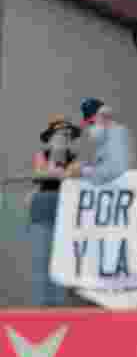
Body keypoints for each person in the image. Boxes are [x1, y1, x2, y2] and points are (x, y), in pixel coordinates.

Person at [29, 115, 80, 306]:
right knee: (41, 257)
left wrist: (61, 172)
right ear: (51, 135)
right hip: (44, 207)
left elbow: (74, 174)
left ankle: (59, 305)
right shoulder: (41, 155)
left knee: (62, 258)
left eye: (67, 134)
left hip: (65, 207)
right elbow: (41, 172)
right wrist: (56, 168)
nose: (64, 137)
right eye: (60, 134)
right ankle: (42, 303)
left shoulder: (74, 158)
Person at [65, 99, 133, 186]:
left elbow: (117, 170)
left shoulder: (117, 134)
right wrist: (84, 167)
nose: (90, 129)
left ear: (103, 118)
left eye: (92, 123)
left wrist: (84, 171)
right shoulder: (106, 139)